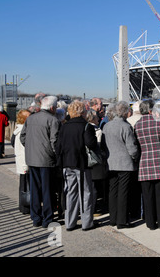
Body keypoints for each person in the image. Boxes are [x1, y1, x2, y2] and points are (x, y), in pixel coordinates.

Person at [56, 100, 98, 231]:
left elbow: (58, 147)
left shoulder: (64, 126)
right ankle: (86, 222)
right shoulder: (87, 126)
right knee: (85, 193)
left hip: (67, 163)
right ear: (82, 112)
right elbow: (91, 144)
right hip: (82, 164)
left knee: (70, 193)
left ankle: (70, 222)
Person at [20, 96, 60, 228]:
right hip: (46, 159)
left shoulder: (31, 118)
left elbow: (23, 137)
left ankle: (36, 217)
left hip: (32, 158)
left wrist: (31, 148)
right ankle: (47, 218)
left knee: (35, 189)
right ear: (52, 108)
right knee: (47, 189)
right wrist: (55, 155)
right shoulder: (53, 120)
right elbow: (54, 142)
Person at [134, 99, 160, 230]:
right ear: (151, 110)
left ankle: (150, 223)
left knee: (147, 195)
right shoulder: (159, 122)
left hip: (145, 161)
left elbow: (137, 144)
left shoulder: (137, 125)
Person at [103, 101, 140, 229]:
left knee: (113, 191)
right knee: (123, 192)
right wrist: (135, 157)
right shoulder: (126, 126)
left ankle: (113, 218)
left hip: (111, 161)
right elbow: (132, 147)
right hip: (124, 163)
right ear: (125, 113)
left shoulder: (107, 126)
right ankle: (122, 220)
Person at [13, 109, 31, 214]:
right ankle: (25, 207)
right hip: (24, 163)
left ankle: (24, 206)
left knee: (23, 185)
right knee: (26, 186)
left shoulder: (18, 131)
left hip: (22, 162)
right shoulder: (23, 132)